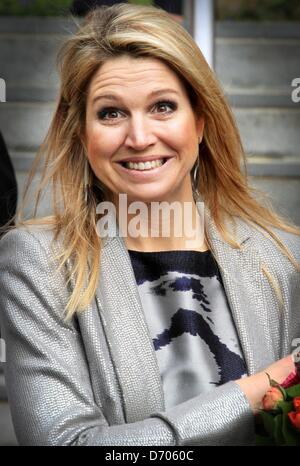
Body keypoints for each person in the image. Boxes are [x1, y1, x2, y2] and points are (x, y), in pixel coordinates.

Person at [0, 3, 299, 446]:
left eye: (162, 106)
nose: (139, 138)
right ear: (82, 133)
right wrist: (255, 390)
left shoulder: (279, 255)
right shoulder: (38, 262)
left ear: (199, 121)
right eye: (111, 113)